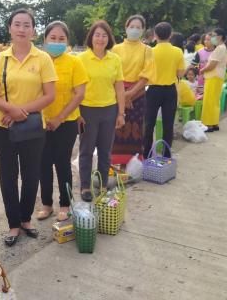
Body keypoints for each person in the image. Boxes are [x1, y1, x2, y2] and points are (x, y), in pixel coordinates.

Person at [0, 9, 57, 247]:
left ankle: (26, 218)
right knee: (8, 176)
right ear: (9, 28)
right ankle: (13, 224)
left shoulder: (43, 59)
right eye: (17, 24)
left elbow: (50, 95)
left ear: (34, 30)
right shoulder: (0, 59)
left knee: (31, 175)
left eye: (26, 25)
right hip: (3, 126)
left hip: (31, 128)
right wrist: (11, 110)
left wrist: (21, 112)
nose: (21, 29)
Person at [37, 21, 88, 222]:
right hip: (40, 122)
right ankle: (46, 204)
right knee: (43, 162)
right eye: (53, 38)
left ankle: (65, 204)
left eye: (61, 39)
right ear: (45, 40)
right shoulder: (39, 61)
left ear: (67, 41)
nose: (57, 42)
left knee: (62, 163)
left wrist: (59, 118)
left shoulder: (75, 63)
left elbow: (79, 94)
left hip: (66, 122)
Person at [78, 20, 125, 202]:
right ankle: (84, 186)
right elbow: (75, 89)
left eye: (104, 35)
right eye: (97, 35)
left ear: (109, 38)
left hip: (109, 110)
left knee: (105, 151)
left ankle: (104, 184)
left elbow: (119, 88)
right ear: (91, 37)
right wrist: (77, 114)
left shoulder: (114, 59)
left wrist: (121, 113)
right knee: (86, 150)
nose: (100, 39)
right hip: (87, 110)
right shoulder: (81, 59)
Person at [111, 14, 155, 163]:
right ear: (126, 28)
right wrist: (122, 95)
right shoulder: (115, 49)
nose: (134, 30)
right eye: (132, 27)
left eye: (138, 27)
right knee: (116, 127)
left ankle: (133, 162)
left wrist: (130, 94)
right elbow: (111, 72)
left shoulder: (147, 50)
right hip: (117, 92)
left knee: (135, 128)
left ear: (143, 30)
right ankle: (114, 161)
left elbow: (147, 74)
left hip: (138, 93)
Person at [143, 22, 185, 158]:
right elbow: (180, 73)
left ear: (155, 35)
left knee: (149, 124)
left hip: (152, 90)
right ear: (171, 34)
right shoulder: (177, 51)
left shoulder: (150, 51)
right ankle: (166, 155)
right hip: (170, 91)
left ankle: (147, 155)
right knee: (168, 124)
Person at [200, 28, 227, 132]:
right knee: (215, 101)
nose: (211, 38)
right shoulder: (222, 47)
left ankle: (208, 124)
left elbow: (212, 65)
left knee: (209, 101)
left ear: (219, 37)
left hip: (213, 76)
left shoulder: (219, 48)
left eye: (213, 35)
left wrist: (202, 70)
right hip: (217, 76)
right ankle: (214, 122)